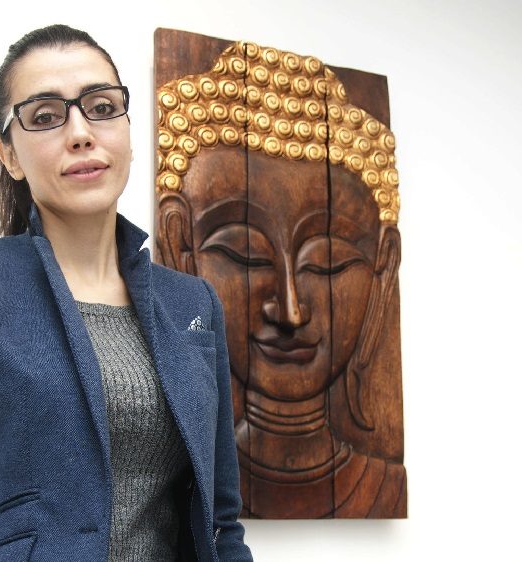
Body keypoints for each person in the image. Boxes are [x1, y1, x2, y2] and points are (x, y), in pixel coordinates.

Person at [0, 24, 253, 562]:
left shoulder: (193, 304)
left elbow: (221, 525)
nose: (80, 133)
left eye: (101, 107)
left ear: (128, 130)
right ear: (10, 156)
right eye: (44, 117)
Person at [154, 40, 406, 518]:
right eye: (245, 255)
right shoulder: (178, 492)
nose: (289, 310)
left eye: (328, 262)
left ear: (384, 267)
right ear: (180, 248)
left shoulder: (388, 490)